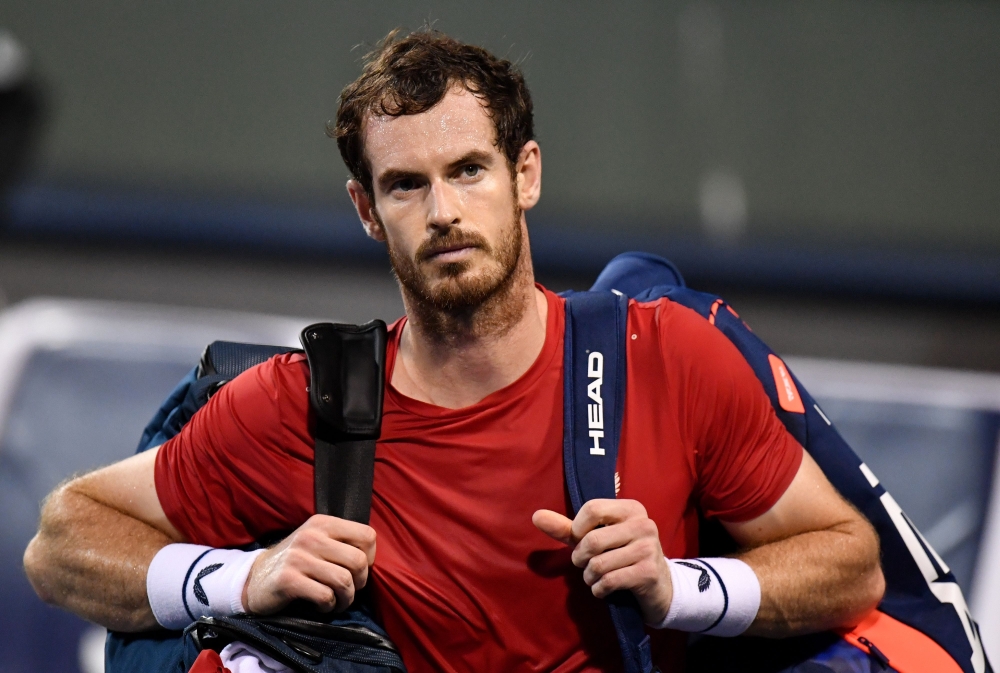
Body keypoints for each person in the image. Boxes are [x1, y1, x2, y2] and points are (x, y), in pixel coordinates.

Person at [23, 29, 884, 673]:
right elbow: (61, 543)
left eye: (469, 169)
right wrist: (243, 577)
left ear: (526, 175)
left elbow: (852, 563)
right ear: (367, 210)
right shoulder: (310, 405)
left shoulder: (665, 359)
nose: (443, 212)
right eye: (407, 184)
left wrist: (679, 586)